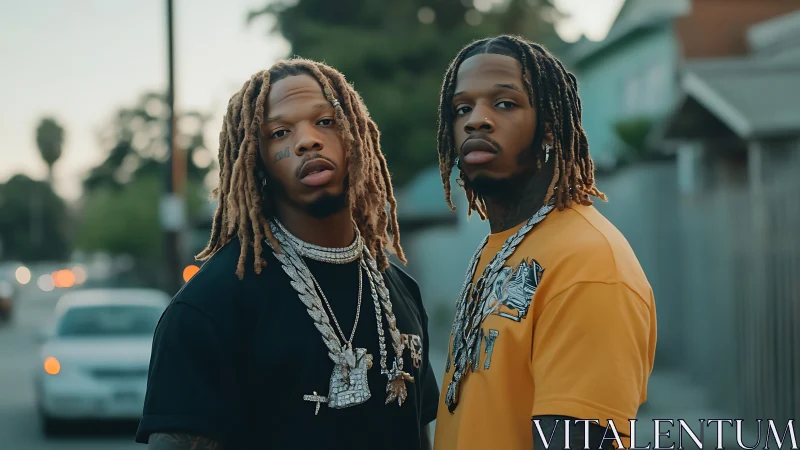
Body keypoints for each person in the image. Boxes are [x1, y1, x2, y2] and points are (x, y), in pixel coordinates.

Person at [135, 58, 439, 450]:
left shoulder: (401, 292)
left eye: (325, 121)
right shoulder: (209, 307)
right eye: (280, 133)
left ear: (357, 135)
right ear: (256, 159)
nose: (307, 141)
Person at [431, 35, 657, 450]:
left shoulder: (588, 264)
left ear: (549, 126)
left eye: (505, 104)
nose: (476, 120)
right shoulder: (501, 247)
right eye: (462, 108)